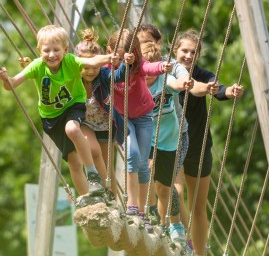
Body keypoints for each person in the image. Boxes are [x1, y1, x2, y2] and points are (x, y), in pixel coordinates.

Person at [0, 25, 115, 205]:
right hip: (51, 119)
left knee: (72, 129)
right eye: (46, 50)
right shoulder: (36, 66)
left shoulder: (70, 61)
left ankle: (92, 174)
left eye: (56, 50)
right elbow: (12, 84)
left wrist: (109, 58)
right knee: (74, 163)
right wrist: (6, 79)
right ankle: (92, 201)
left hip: (73, 107)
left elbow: (92, 62)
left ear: (65, 50)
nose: (51, 55)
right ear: (39, 51)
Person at [174, 29, 245, 256]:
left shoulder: (203, 74)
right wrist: (206, 89)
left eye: (193, 52)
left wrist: (228, 91)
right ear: (175, 50)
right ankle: (183, 242)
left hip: (198, 143)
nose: (188, 56)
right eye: (184, 50)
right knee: (175, 191)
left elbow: (217, 88)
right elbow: (193, 87)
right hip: (170, 143)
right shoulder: (168, 73)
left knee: (198, 204)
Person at [107, 28, 172, 231]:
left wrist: (162, 66)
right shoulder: (107, 68)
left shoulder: (138, 65)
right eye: (120, 53)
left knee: (144, 164)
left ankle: (143, 211)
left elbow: (150, 68)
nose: (127, 57)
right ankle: (132, 206)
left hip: (144, 116)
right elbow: (112, 77)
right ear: (111, 50)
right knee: (132, 155)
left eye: (130, 52)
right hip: (123, 117)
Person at [140, 38, 193, 244]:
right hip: (149, 139)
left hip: (170, 140)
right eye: (145, 70)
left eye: (153, 71)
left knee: (165, 187)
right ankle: (150, 213)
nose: (148, 75)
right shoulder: (135, 84)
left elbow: (176, 83)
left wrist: (184, 83)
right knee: (147, 167)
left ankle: (176, 224)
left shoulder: (164, 81)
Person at [73, 28, 127, 200]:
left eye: (95, 66)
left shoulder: (104, 74)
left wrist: (124, 63)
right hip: (85, 122)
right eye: (85, 67)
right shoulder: (73, 77)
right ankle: (97, 192)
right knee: (93, 151)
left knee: (106, 164)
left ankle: (111, 197)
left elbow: (118, 76)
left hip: (105, 124)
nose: (90, 71)